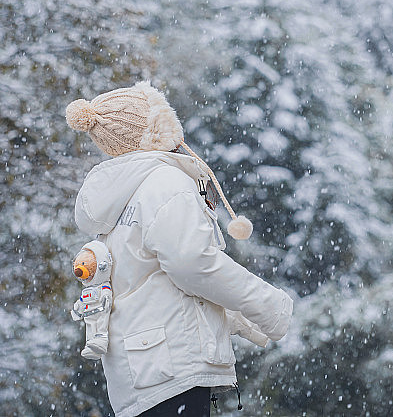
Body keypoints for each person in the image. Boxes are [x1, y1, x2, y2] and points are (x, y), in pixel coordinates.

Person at [65, 81, 294, 417]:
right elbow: (193, 264)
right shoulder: (165, 183)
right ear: (156, 127)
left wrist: (235, 316)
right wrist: (269, 306)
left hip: (142, 369)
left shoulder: (119, 195)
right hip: (174, 367)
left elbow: (153, 280)